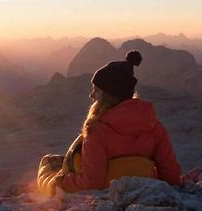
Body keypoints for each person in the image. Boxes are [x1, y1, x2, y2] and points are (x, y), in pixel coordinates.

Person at [37, 50, 181, 195]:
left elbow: (91, 183)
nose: (91, 95)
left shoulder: (98, 131)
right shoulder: (154, 127)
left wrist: (62, 181)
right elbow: (171, 176)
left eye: (97, 91)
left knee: (49, 162)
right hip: (144, 191)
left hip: (108, 192)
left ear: (108, 96)